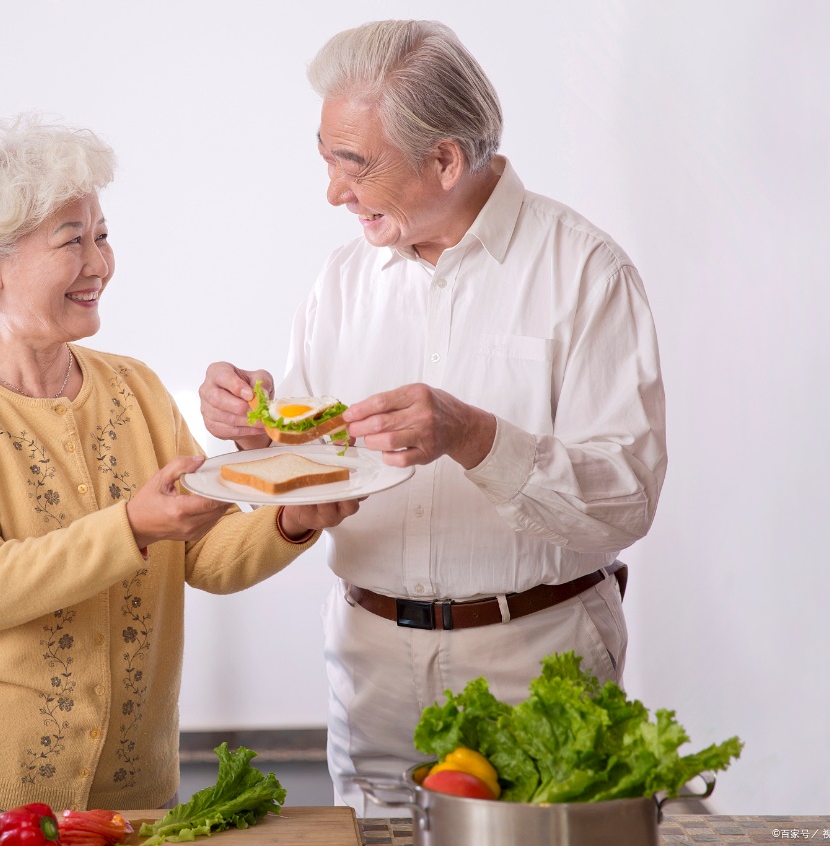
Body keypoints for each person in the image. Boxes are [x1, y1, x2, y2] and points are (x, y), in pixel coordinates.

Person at [199, 20, 666, 811]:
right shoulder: (342, 279)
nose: (332, 193)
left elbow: (625, 500)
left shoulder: (586, 271)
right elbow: (314, 465)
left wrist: (473, 435)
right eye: (326, 160)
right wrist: (261, 424)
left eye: (353, 166)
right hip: (370, 665)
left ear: (444, 159)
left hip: (535, 662)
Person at [0, 114, 359, 824]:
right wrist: (131, 525)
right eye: (71, 241)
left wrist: (289, 517)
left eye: (101, 236)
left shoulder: (134, 388)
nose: (99, 264)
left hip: (134, 785)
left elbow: (202, 558)